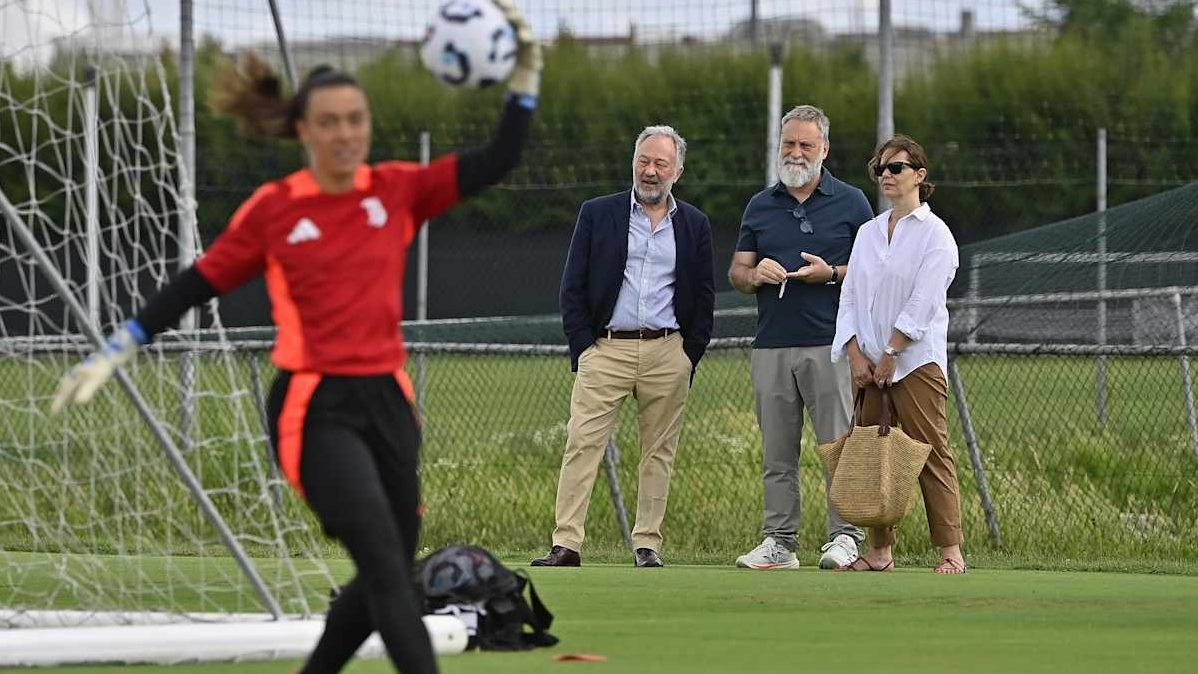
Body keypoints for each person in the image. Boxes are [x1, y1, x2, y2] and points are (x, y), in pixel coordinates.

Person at [49, 1, 542, 669]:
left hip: (389, 403)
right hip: (315, 410)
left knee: (384, 568)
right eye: (330, 123)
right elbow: (198, 283)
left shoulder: (397, 190)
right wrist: (121, 343)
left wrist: (524, 78)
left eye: (356, 120)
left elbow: (496, 160)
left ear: (368, 125)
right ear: (304, 130)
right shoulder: (275, 210)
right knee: (385, 564)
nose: (345, 134)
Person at [530, 125, 714, 569]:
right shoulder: (598, 213)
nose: (650, 171)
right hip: (605, 349)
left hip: (667, 350)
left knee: (659, 453)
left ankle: (647, 544)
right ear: (633, 162)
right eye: (643, 161)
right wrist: (584, 349)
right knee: (581, 443)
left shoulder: (694, 224)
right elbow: (572, 287)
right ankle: (567, 543)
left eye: (660, 164)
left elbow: (703, 295)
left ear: (678, 170)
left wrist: (688, 355)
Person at [728, 105, 873, 570]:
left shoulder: (851, 202)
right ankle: (780, 542)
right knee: (777, 453)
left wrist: (829, 273)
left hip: (832, 343)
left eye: (805, 145)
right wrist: (756, 274)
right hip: (772, 344)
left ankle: (845, 537)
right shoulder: (760, 205)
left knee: (839, 447)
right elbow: (737, 271)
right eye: (788, 144)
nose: (795, 152)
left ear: (824, 149)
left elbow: (872, 272)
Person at [830, 134, 965, 574]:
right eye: (880, 169)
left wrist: (892, 351)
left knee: (930, 453)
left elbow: (923, 302)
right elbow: (849, 296)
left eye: (896, 168)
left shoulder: (936, 235)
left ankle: (950, 550)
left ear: (919, 177)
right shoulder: (868, 233)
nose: (886, 175)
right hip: (869, 366)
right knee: (873, 455)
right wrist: (855, 354)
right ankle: (879, 552)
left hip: (915, 363)